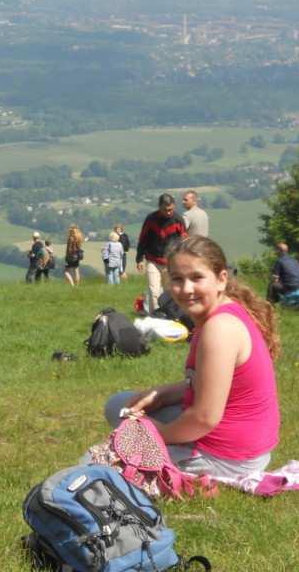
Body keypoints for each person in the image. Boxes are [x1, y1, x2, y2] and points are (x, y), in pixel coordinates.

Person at [103, 236, 280, 479]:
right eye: (177, 279)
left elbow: (204, 418)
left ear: (221, 279)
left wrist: (159, 434)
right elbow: (208, 385)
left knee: (111, 448)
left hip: (228, 458)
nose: (186, 289)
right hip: (248, 449)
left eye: (197, 278)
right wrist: (162, 393)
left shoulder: (219, 329)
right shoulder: (225, 312)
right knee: (121, 405)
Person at [135, 194, 188, 315]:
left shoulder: (178, 220)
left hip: (171, 262)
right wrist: (139, 258)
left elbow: (184, 240)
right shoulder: (151, 219)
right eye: (166, 210)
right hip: (153, 260)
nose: (169, 212)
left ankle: (172, 316)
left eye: (171, 209)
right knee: (154, 291)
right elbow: (143, 238)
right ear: (159, 207)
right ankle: (155, 317)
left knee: (170, 292)